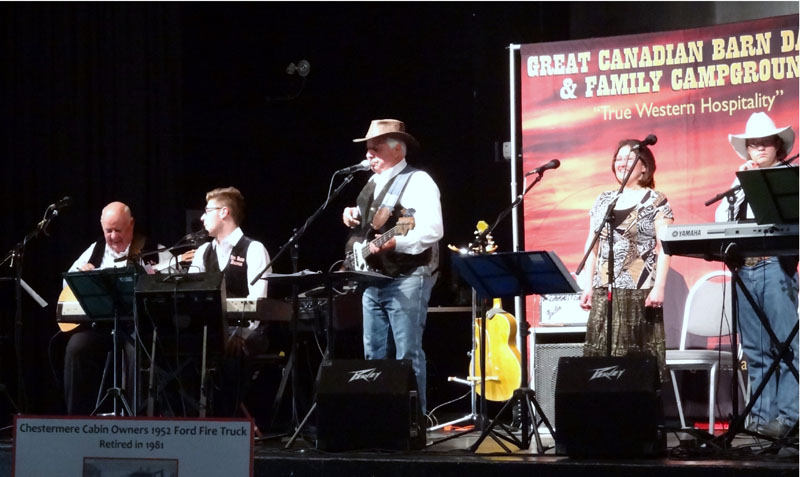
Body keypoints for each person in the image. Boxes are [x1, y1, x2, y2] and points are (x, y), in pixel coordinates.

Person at [342, 119, 443, 414]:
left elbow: (432, 229)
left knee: (406, 354)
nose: (368, 155)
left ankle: (414, 422)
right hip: (371, 278)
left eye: (375, 149)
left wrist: (395, 243)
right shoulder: (372, 183)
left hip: (407, 277)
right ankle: (380, 421)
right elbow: (372, 225)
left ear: (398, 149)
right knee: (373, 355)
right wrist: (352, 214)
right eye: (368, 150)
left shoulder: (418, 181)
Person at [714, 111, 798, 438]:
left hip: (776, 266)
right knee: (756, 351)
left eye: (765, 143)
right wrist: (742, 184)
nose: (759, 149)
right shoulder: (739, 181)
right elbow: (723, 221)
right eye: (753, 144)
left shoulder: (790, 176)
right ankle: (761, 423)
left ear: (778, 147)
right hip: (745, 269)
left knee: (788, 348)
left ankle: (789, 419)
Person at [63, 201, 172, 415]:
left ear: (131, 225)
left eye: (118, 230)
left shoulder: (156, 252)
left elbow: (172, 282)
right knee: (77, 347)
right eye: (108, 231)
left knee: (136, 351)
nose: (113, 237)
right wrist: (82, 277)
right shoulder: (95, 249)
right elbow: (67, 283)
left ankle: (135, 421)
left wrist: (154, 282)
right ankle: (76, 420)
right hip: (103, 325)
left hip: (138, 327)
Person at [579, 139, 674, 383]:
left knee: (634, 360)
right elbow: (592, 245)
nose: (622, 164)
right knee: (600, 358)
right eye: (618, 159)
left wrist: (659, 287)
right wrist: (588, 285)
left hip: (638, 290)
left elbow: (665, 246)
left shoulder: (656, 200)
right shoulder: (604, 199)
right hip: (604, 289)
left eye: (629, 159)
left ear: (644, 167)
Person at [187, 186, 271, 416]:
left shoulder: (254, 249)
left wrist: (238, 335)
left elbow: (258, 303)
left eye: (207, 211)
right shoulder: (203, 251)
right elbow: (193, 295)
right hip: (212, 332)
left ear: (224, 212)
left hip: (248, 333)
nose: (202, 217)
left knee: (230, 358)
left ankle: (225, 425)